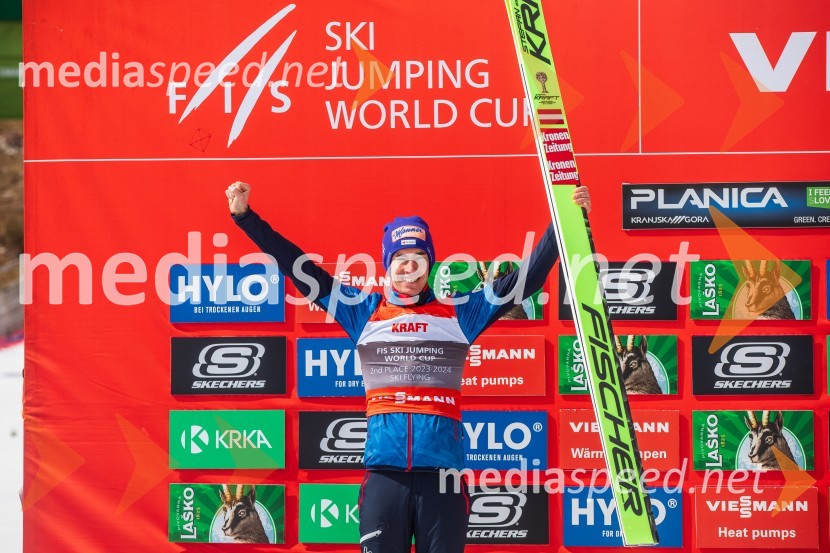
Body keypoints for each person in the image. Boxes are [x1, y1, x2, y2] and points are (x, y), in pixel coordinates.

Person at [225, 181, 591, 553]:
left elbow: (526, 280)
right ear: (388, 264)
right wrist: (246, 218)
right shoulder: (363, 312)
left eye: (419, 256)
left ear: (430, 263)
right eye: (401, 257)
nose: (410, 265)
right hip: (385, 479)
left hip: (443, 481)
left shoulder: (460, 313)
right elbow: (300, 269)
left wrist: (564, 219)